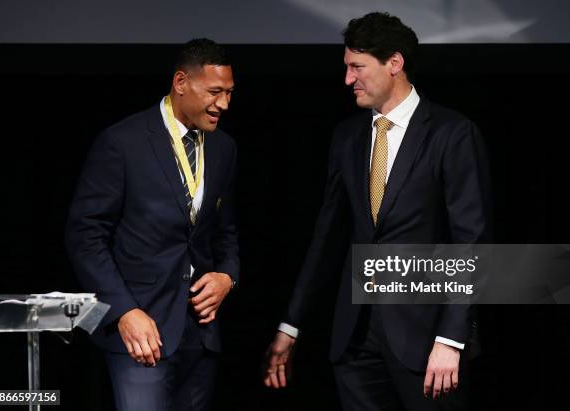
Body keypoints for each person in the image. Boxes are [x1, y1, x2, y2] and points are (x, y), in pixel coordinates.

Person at [264, 12, 492, 411]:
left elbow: (470, 244)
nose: (348, 79)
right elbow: (326, 238)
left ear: (395, 63)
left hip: (426, 344)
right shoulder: (347, 136)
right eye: (347, 67)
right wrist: (291, 324)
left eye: (357, 67)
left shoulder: (452, 133)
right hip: (355, 344)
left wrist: (451, 338)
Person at [65, 38, 239, 411]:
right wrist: (124, 311)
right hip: (139, 331)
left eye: (228, 93)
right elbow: (85, 236)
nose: (223, 104)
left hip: (201, 334)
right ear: (180, 83)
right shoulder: (121, 142)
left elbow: (225, 231)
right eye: (214, 92)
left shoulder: (224, 148)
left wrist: (227, 275)